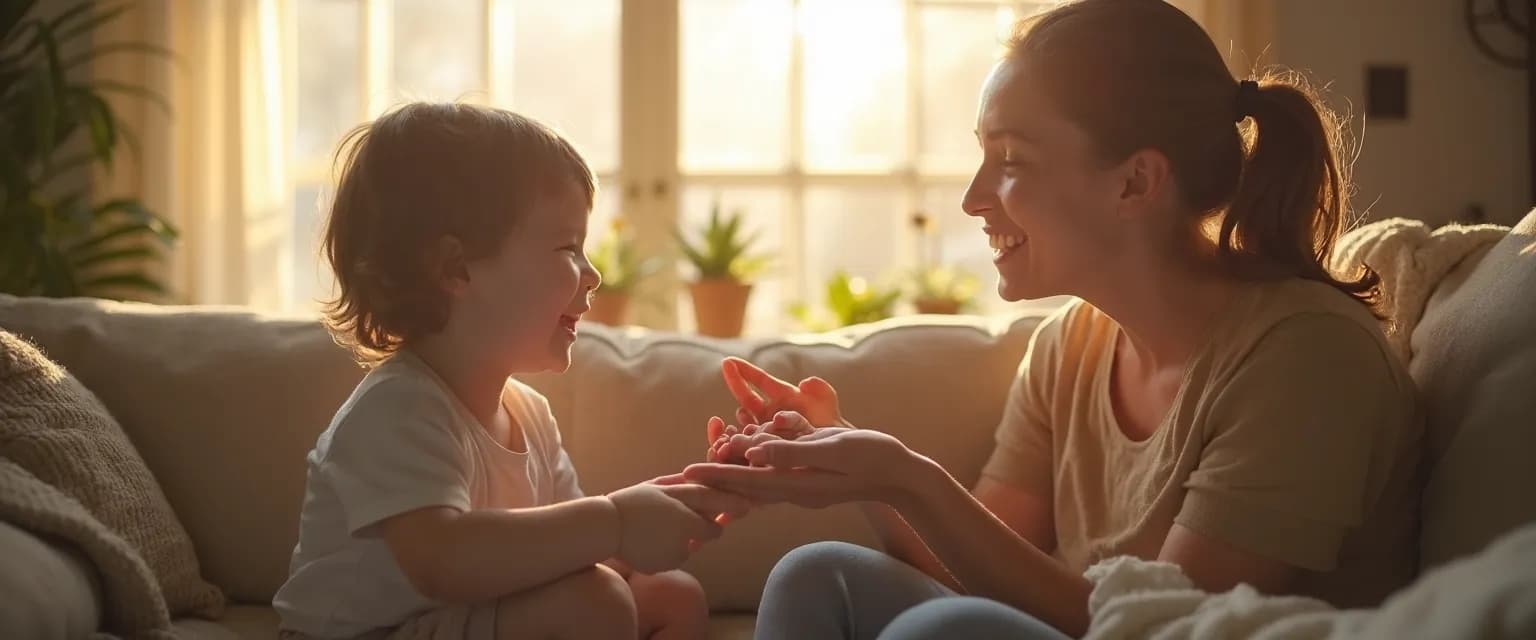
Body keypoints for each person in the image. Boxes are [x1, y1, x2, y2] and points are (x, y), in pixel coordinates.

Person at [686, 1, 1423, 638]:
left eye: (1011, 159)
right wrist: (863, 469)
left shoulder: (1306, 358)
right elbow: (974, 565)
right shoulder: (1071, 344)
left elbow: (1168, 630)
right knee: (817, 577)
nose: (974, 198)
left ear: (1135, 182)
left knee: (944, 630)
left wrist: (910, 476)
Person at [274, 103, 748, 640]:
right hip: (368, 632)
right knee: (596, 605)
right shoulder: (397, 408)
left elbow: (581, 553)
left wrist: (674, 504)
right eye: (568, 247)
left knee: (671, 594)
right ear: (455, 268)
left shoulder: (530, 414)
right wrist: (615, 521)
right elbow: (443, 561)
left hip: (458, 621)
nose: (592, 275)